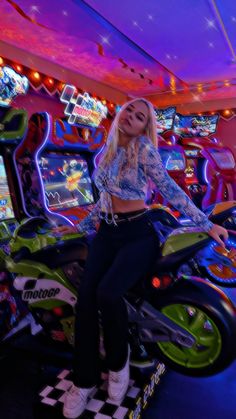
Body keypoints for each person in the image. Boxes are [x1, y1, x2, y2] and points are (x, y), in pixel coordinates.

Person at [55, 98, 228, 419]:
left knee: (109, 294)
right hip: (107, 233)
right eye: (129, 112)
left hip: (138, 234)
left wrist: (206, 222)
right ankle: (84, 381)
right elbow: (103, 201)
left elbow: (170, 189)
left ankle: (118, 366)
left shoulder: (143, 150)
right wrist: (77, 229)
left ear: (144, 126)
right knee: (86, 302)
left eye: (139, 117)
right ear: (120, 114)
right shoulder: (106, 151)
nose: (132, 118)